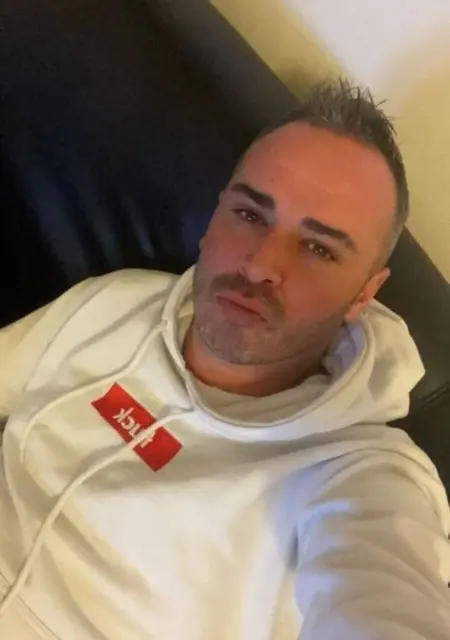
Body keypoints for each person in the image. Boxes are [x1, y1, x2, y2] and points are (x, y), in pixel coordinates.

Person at [0, 80, 449, 640]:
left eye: (319, 248)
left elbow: (383, 600)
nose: (260, 264)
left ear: (365, 293)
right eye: (251, 215)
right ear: (215, 216)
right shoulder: (114, 304)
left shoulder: (359, 476)